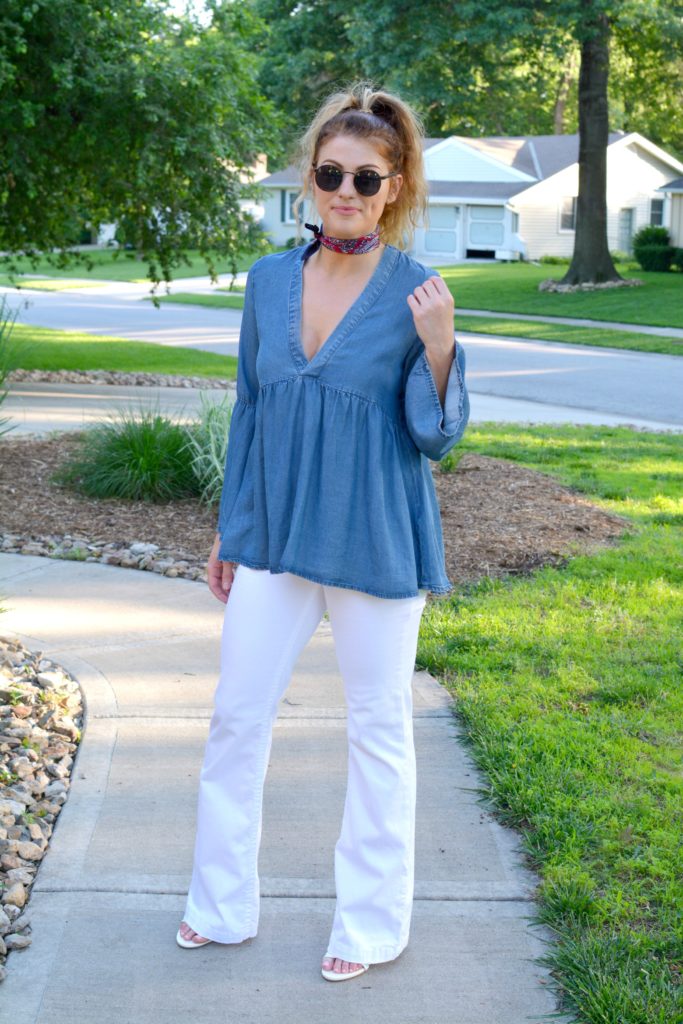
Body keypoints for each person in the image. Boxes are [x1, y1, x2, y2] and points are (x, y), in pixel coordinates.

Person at [177, 81, 470, 982]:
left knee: (378, 727)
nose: (346, 191)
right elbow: (252, 410)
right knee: (235, 717)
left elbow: (434, 435)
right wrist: (231, 529)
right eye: (331, 173)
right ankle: (220, 908)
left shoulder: (419, 293)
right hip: (275, 537)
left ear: (396, 186)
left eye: (367, 178)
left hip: (375, 537)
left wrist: (441, 345)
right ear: (310, 179)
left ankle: (372, 925)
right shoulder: (268, 282)